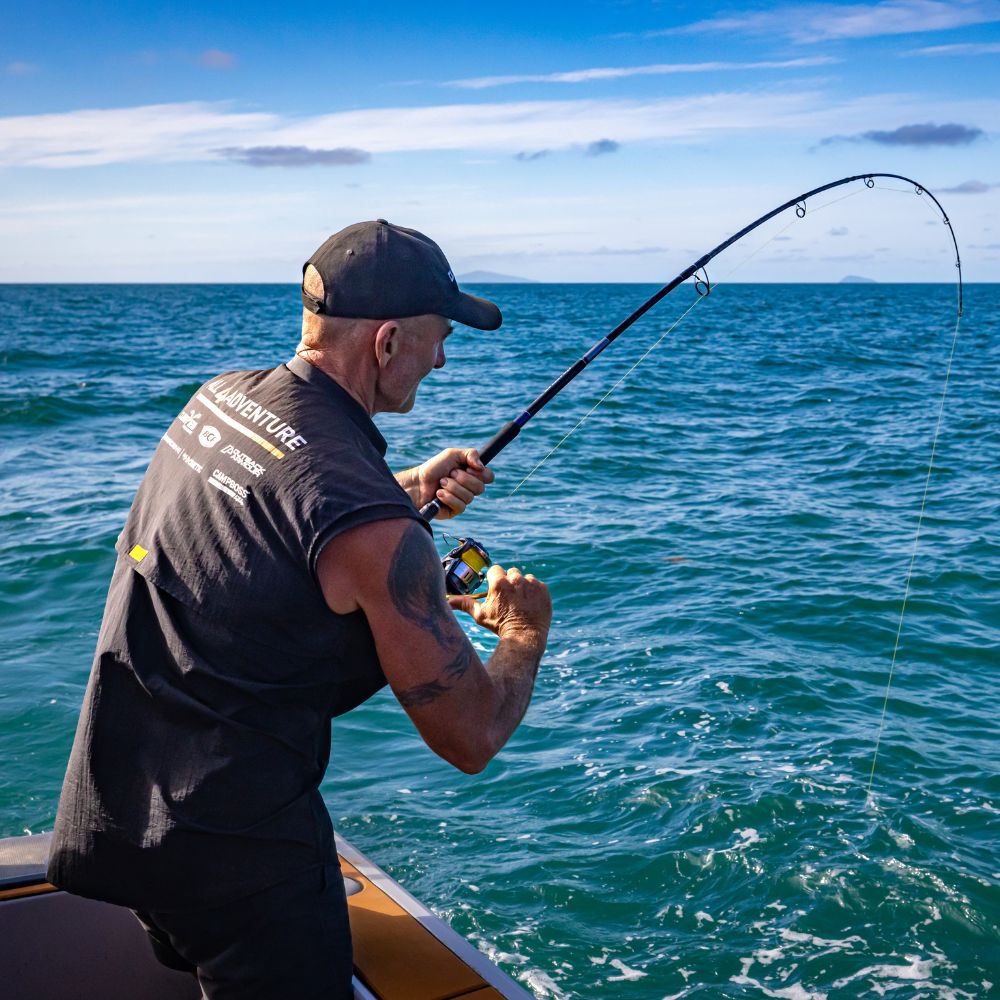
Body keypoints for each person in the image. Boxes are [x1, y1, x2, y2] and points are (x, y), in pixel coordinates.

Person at [47, 219, 553, 999]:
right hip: (240, 856)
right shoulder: (374, 529)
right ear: (388, 342)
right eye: (439, 339)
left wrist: (406, 486)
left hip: (120, 804)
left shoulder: (220, 401)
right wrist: (523, 634)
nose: (442, 360)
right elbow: (470, 735)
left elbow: (277, 502)